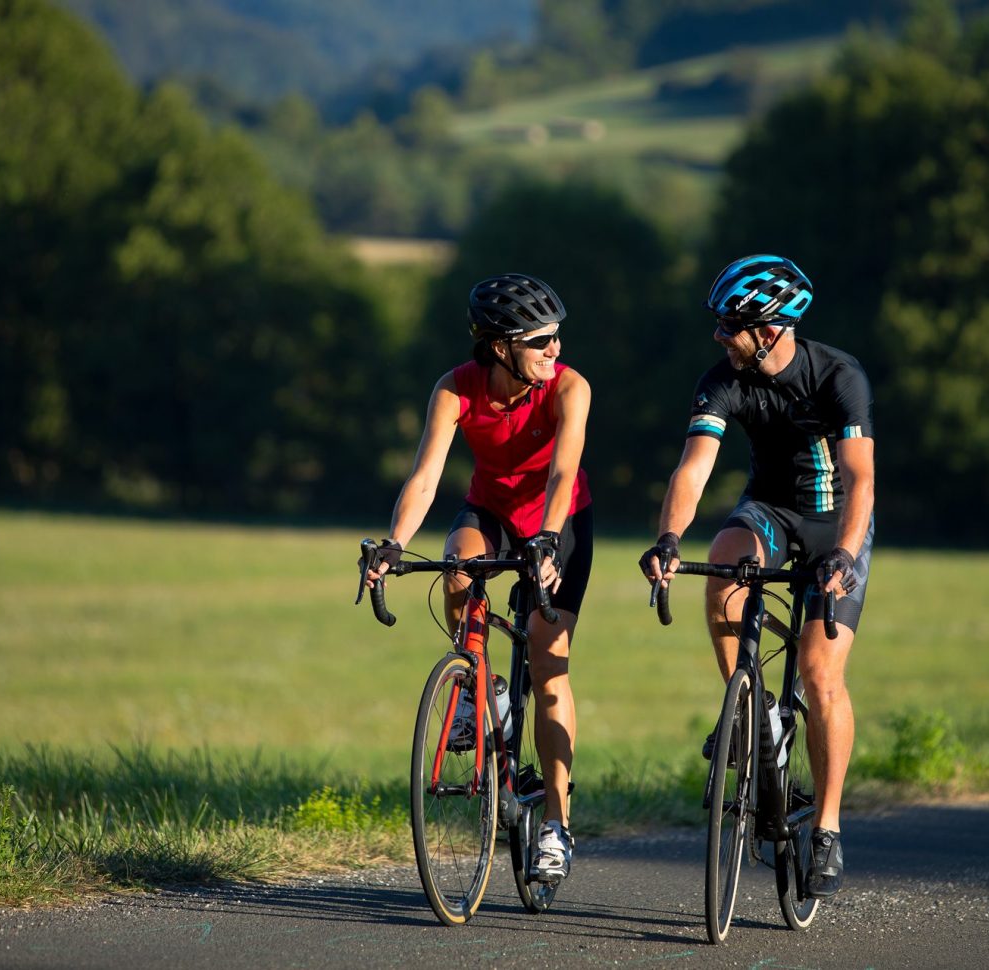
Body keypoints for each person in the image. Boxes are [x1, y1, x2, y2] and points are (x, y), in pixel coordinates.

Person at [639, 254, 874, 900]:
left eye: (729, 326)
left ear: (769, 329)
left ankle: (825, 827)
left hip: (835, 524)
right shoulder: (721, 381)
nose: (718, 336)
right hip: (768, 512)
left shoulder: (836, 376)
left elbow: (860, 480)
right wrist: (667, 539)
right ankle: (756, 715)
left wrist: (846, 555)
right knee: (721, 564)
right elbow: (693, 468)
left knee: (820, 673)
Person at [365, 273, 591, 885]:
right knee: (457, 565)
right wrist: (394, 544)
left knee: (548, 669)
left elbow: (562, 475)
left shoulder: (570, 387)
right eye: (540, 340)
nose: (555, 349)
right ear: (499, 347)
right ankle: (478, 685)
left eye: (556, 337)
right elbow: (426, 474)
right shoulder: (455, 388)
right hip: (490, 510)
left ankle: (555, 826)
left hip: (558, 522)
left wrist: (545, 539)